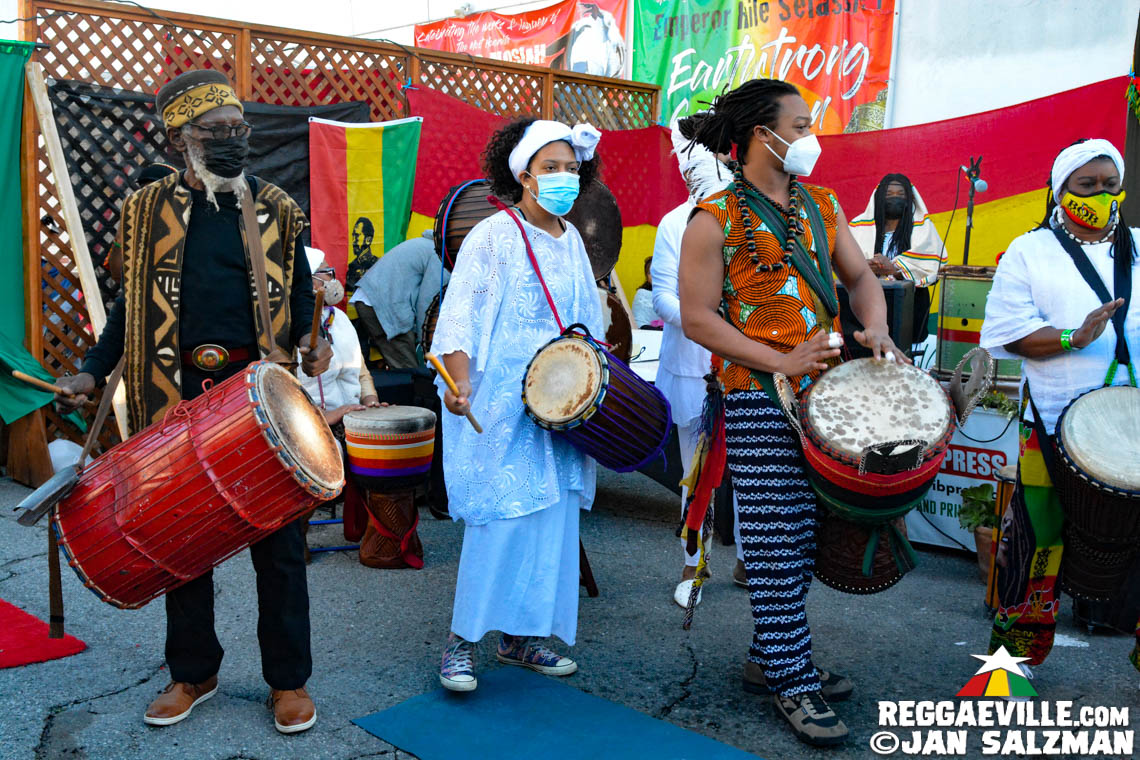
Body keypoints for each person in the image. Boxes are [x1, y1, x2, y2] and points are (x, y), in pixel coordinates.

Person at [54, 69, 332, 735]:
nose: (231, 139)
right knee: (179, 539)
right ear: (179, 138)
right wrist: (95, 369)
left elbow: (299, 299)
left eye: (238, 128)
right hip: (172, 394)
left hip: (257, 399)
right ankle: (194, 672)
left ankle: (288, 682)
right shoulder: (144, 212)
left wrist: (308, 340)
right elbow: (127, 309)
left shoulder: (279, 211)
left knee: (281, 551)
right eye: (214, 131)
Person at [678, 78, 906, 746]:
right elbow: (695, 318)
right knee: (776, 541)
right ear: (758, 135)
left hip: (825, 393)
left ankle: (774, 657)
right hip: (757, 396)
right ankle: (790, 678)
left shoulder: (824, 204)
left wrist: (878, 329)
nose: (810, 138)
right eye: (799, 125)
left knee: (804, 536)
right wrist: (777, 360)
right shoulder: (711, 218)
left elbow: (863, 279)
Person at [431, 117, 603, 693]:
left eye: (571, 169)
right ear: (522, 174)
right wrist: (459, 388)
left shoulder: (573, 239)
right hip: (502, 407)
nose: (562, 178)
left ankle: (520, 640)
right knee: (502, 524)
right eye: (550, 168)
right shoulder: (493, 236)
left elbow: (590, 325)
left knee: (550, 525)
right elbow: (461, 318)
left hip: (561, 410)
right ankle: (461, 644)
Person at [981, 138, 1138, 675]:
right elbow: (1009, 335)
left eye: (1108, 185)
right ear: (1060, 191)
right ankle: (1008, 665)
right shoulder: (1031, 251)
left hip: (1131, 431)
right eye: (1085, 185)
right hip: (1049, 425)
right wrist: (1076, 336)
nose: (1099, 195)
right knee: (1035, 544)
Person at [652, 113, 747, 609]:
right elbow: (664, 298)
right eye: (685, 168)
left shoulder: (755, 217)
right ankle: (695, 563)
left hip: (754, 367)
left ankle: (753, 557)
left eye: (700, 165)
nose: (691, 176)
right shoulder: (674, 223)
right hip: (696, 368)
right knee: (698, 469)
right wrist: (703, 320)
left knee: (756, 468)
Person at [848, 174, 946, 342]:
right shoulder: (858, 227)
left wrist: (894, 270)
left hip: (908, 307)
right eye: (888, 194)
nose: (894, 198)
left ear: (909, 199)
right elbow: (844, 261)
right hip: (866, 305)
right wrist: (864, 267)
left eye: (900, 194)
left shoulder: (924, 230)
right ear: (878, 198)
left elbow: (933, 267)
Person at [350, 230, 450, 369]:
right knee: (409, 371)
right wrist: (427, 344)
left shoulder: (428, 246)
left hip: (370, 300)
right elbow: (428, 305)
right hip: (382, 305)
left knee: (401, 365)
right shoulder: (440, 257)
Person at [346, 216, 377, 290]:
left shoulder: (377, 264)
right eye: (353, 235)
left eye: (357, 235)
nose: (354, 240)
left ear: (368, 240)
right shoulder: (351, 266)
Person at [631, 256, 658, 328]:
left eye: (657, 271)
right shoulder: (642, 295)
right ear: (647, 277)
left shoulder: (677, 294)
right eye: (650, 273)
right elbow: (639, 322)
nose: (654, 275)